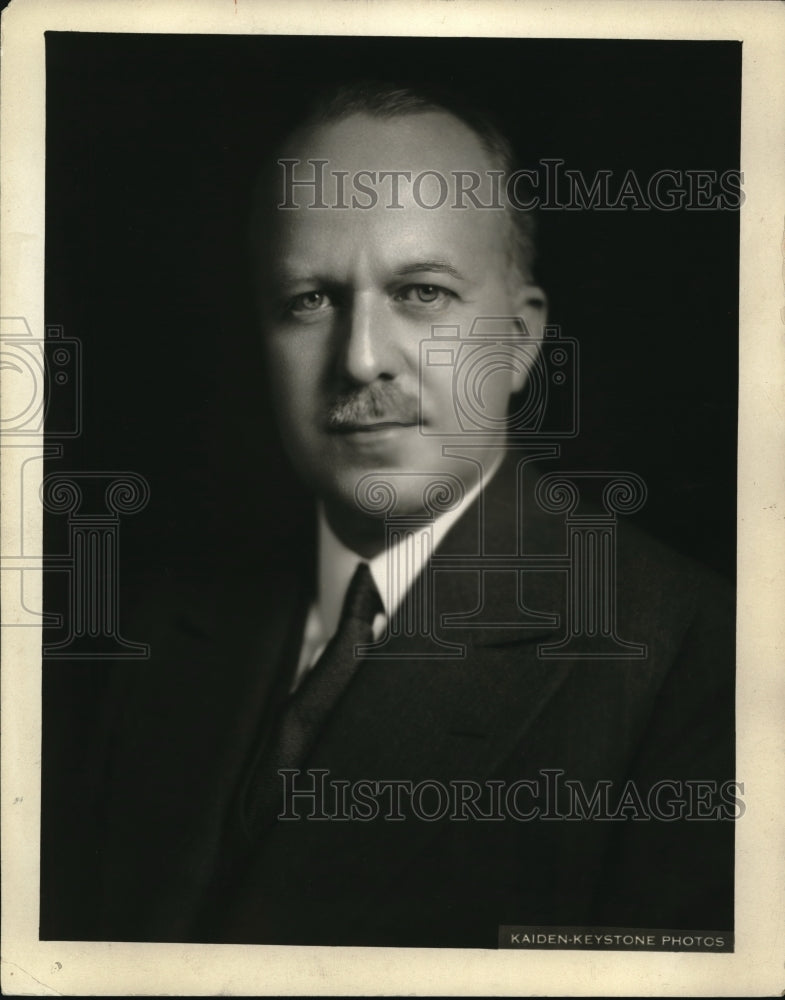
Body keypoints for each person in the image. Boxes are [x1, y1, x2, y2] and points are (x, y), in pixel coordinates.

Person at [40, 82, 736, 949]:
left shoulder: (702, 664)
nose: (361, 359)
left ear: (519, 342)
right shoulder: (144, 629)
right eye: (309, 300)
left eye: (421, 293)